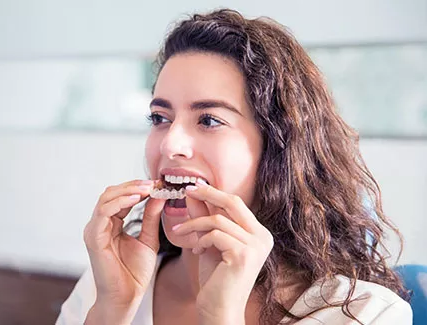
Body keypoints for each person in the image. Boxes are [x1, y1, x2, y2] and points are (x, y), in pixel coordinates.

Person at [56, 9, 412, 325]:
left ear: (277, 148)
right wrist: (112, 309)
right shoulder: (105, 286)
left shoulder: (363, 314)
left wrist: (220, 318)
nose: (169, 144)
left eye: (209, 120)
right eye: (159, 117)